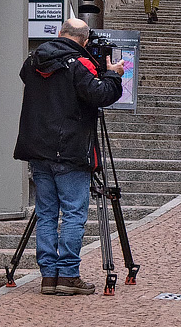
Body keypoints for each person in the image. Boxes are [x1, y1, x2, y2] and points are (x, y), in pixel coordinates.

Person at [13, 17, 124, 296]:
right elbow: (100, 95)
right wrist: (112, 74)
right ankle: (69, 275)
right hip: (71, 150)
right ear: (84, 41)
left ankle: (49, 277)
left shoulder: (33, 62)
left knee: (47, 213)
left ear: (60, 33)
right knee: (73, 214)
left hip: (38, 149)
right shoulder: (79, 64)